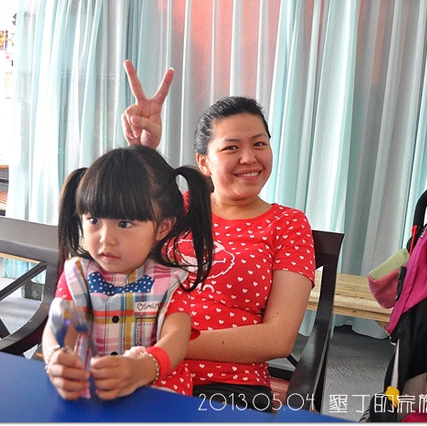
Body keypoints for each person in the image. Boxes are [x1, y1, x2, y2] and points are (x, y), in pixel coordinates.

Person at [121, 60, 316, 412]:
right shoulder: (179, 206)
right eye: (231, 148)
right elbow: (113, 231)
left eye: (259, 144)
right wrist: (144, 153)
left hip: (228, 384)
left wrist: (170, 346)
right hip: (142, 363)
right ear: (204, 162)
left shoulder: (288, 224)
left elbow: (279, 338)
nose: (249, 158)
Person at [42, 145, 214, 400]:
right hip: (88, 392)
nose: (106, 239)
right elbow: (59, 325)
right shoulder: (77, 274)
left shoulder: (170, 281)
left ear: (162, 227)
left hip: (156, 394)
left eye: (124, 224)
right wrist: (56, 356)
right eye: (93, 220)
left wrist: (143, 368)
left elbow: (176, 338)